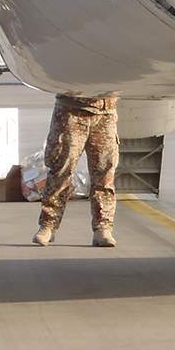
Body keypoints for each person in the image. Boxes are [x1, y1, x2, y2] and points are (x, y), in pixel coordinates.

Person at [33, 94, 120, 248]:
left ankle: (103, 228)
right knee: (61, 170)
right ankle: (48, 225)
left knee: (104, 174)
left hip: (105, 111)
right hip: (72, 109)